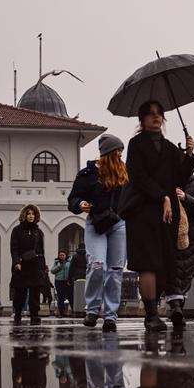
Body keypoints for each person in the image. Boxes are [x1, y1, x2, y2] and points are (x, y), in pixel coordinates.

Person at [124, 101, 194, 332]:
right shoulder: (136, 145)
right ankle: (151, 314)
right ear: (142, 120)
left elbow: (180, 178)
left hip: (167, 214)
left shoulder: (169, 148)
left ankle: (174, 307)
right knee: (148, 263)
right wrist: (161, 197)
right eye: (150, 114)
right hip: (143, 211)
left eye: (159, 115)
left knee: (168, 260)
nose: (156, 118)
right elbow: (139, 177)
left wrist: (190, 155)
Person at [68, 134, 129, 332]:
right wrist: (80, 204)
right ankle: (92, 309)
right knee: (97, 265)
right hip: (96, 223)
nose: (120, 154)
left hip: (119, 224)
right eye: (117, 150)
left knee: (116, 270)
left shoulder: (125, 173)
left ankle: (111, 315)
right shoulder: (87, 174)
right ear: (107, 153)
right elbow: (73, 199)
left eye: (121, 150)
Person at [162, 177, 194, 330]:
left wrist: (186, 198)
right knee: (171, 271)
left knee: (186, 272)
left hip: (190, 234)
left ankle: (177, 307)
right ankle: (176, 306)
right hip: (168, 231)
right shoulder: (164, 179)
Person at [10, 204, 46, 325]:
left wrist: (43, 267)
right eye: (28, 214)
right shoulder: (17, 230)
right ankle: (18, 314)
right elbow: (14, 249)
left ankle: (34, 315)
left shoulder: (38, 231)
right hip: (22, 265)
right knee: (20, 292)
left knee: (35, 293)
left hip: (35, 266)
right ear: (24, 215)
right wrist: (16, 262)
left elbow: (41, 251)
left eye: (33, 214)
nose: (31, 216)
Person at [51, 251, 72, 316]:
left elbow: (72, 270)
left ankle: (73, 311)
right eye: (60, 255)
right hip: (59, 281)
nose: (62, 256)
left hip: (67, 281)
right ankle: (61, 313)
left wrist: (70, 279)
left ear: (66, 255)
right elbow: (52, 271)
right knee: (60, 297)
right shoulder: (57, 262)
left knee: (70, 296)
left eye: (63, 255)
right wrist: (58, 267)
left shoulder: (70, 261)